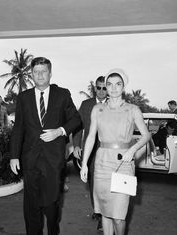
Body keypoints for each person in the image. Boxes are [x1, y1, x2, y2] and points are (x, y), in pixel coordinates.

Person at [9, 57, 81, 235]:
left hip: (53, 160)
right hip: (30, 159)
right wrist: (14, 156)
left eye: (44, 71)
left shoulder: (62, 94)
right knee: (31, 205)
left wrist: (60, 131)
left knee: (51, 204)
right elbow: (18, 128)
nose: (40, 75)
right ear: (31, 74)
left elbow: (76, 119)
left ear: (50, 73)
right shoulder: (24, 98)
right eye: (36, 72)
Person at [80, 68, 150, 235]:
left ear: (123, 86)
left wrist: (132, 150)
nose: (113, 88)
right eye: (109, 84)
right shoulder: (97, 109)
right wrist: (84, 164)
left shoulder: (133, 109)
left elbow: (147, 135)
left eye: (118, 84)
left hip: (123, 163)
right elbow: (91, 137)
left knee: (118, 216)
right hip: (102, 163)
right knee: (105, 211)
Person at [73, 75, 107, 231]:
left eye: (104, 88)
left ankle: (103, 216)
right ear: (95, 89)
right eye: (98, 88)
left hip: (108, 151)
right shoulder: (86, 105)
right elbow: (78, 126)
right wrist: (76, 145)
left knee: (105, 184)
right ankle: (97, 211)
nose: (101, 91)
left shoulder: (114, 104)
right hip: (90, 149)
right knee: (93, 183)